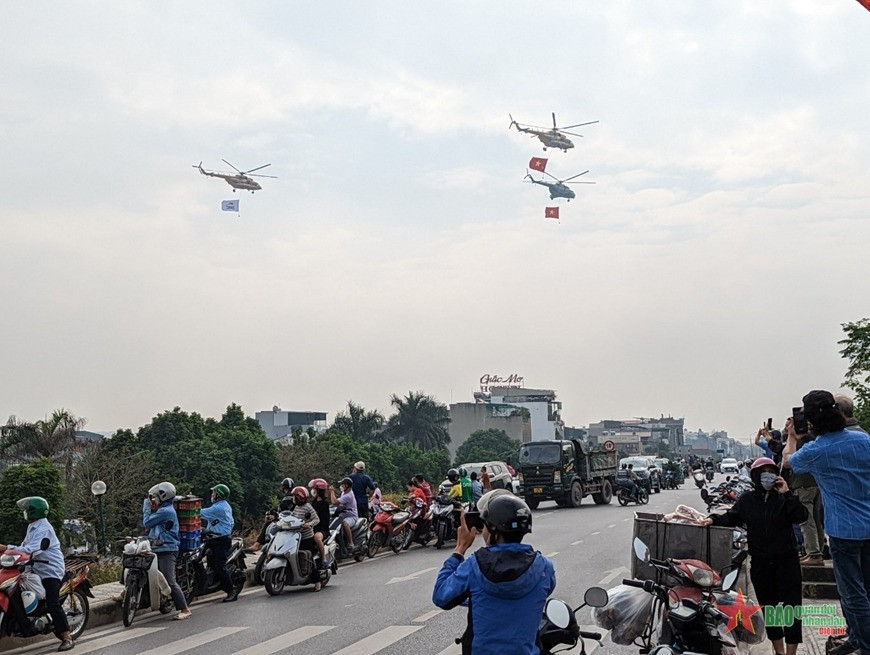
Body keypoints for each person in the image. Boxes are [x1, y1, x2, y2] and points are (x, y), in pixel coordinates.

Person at [783, 390, 870, 655]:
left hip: (844, 531)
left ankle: (864, 645)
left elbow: (787, 461)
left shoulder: (815, 450)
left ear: (810, 421)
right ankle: (856, 639)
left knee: (852, 592)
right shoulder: (863, 439)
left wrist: (791, 437)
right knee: (867, 587)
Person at [702, 457, 807, 655]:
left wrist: (787, 494)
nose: (768, 475)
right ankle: (779, 651)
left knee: (791, 610)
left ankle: (791, 653)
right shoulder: (747, 500)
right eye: (764, 471)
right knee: (770, 609)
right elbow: (731, 517)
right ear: (756, 476)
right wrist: (712, 519)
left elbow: (801, 516)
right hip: (761, 564)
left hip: (787, 562)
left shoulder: (783, 498)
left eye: (771, 471)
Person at [432, 494, 556, 655]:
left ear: (494, 531)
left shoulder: (474, 564)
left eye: (484, 526)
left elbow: (441, 597)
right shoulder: (545, 568)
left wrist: (459, 550)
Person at [0, 497, 74, 651]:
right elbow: (24, 546)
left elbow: (30, 549)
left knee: (53, 602)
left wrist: (5, 547)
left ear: (33, 511)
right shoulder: (32, 526)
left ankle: (67, 636)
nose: (25, 513)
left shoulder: (43, 529)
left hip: (50, 570)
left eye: (27, 510)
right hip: (34, 568)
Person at [143, 482, 191, 620]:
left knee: (169, 580)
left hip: (167, 549)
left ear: (162, 497)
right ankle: (124, 594)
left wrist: (146, 507)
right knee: (143, 570)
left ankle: (185, 609)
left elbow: (147, 523)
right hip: (157, 548)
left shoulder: (166, 511)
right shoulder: (161, 510)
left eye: (155, 497)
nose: (153, 500)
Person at [787, 426, 825, 566]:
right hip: (814, 484)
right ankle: (816, 552)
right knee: (815, 521)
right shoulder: (814, 439)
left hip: (803, 486)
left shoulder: (801, 442)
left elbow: (787, 461)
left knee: (806, 521)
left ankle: (814, 554)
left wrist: (791, 436)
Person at [200, 484, 238, 602]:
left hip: (220, 541)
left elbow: (199, 513)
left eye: (214, 493)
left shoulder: (219, 508)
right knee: (210, 564)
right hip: (213, 539)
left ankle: (231, 592)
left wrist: (186, 507)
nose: (212, 495)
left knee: (219, 567)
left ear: (218, 495)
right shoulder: (222, 506)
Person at [288, 486, 322, 590]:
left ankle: (317, 581)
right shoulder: (296, 507)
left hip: (307, 537)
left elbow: (317, 519)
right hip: (296, 537)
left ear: (300, 497)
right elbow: (292, 516)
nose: (294, 499)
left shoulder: (308, 507)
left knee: (309, 558)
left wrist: (309, 524)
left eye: (295, 497)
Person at [249, 477, 295, 552]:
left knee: (268, 523)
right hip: (292, 521)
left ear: (284, 486)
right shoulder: (292, 496)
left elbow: (281, 510)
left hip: (287, 522)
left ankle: (257, 545)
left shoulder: (288, 497)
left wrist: (271, 513)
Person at [307, 479, 331, 569]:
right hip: (312, 528)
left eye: (313, 489)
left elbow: (314, 514)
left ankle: (324, 559)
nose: (312, 491)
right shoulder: (314, 501)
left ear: (317, 490)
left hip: (322, 529)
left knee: (317, 538)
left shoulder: (324, 503)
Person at [329, 477, 358, 551]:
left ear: (347, 486)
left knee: (345, 524)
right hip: (342, 516)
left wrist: (332, 492)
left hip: (351, 516)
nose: (341, 486)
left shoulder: (348, 495)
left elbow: (334, 502)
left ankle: (350, 543)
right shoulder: (344, 492)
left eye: (343, 485)